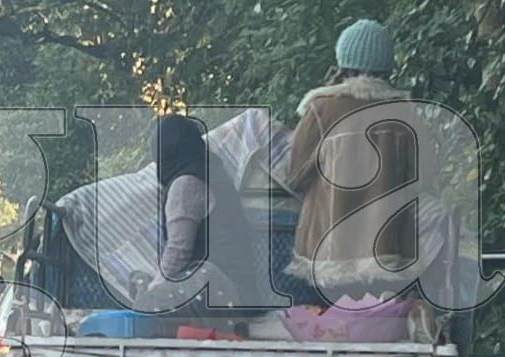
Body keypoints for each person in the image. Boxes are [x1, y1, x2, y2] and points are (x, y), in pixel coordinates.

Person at [285, 19, 419, 298]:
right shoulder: (404, 112)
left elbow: (295, 173)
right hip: (388, 249)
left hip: (330, 251)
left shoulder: (322, 109)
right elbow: (424, 176)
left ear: (343, 60)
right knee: (382, 331)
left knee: (336, 331)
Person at [141, 114, 260, 309]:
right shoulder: (213, 171)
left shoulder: (186, 183)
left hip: (220, 293)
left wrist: (154, 289)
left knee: (147, 301)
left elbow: (179, 249)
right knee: (141, 281)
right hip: (239, 291)